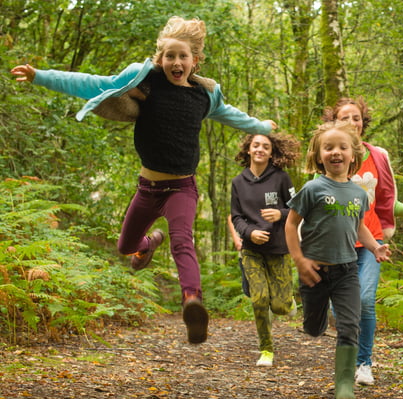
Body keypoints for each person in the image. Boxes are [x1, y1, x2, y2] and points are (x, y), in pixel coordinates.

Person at [10, 16, 277, 344]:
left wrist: (262, 127)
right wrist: (41, 77)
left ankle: (192, 301)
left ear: (195, 60)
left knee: (183, 240)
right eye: (169, 56)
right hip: (148, 187)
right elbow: (92, 83)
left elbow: (235, 116)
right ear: (159, 59)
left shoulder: (205, 96)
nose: (176, 62)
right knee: (126, 246)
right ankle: (150, 243)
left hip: (182, 186)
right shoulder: (145, 81)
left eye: (183, 56)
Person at [285, 121, 391, 399]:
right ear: (318, 155)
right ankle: (314, 322)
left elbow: (358, 227)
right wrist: (299, 260)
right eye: (328, 147)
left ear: (352, 155)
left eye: (342, 147)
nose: (336, 152)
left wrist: (375, 247)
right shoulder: (312, 188)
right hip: (315, 272)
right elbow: (291, 222)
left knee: (350, 324)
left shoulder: (358, 194)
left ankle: (344, 385)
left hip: (347, 270)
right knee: (313, 327)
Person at [322, 97, 403, 385]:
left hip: (371, 240)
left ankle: (364, 363)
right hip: (337, 242)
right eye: (345, 118)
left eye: (356, 118)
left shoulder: (377, 156)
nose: (352, 123)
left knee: (365, 300)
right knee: (340, 308)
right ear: (335, 123)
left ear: (363, 122)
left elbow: (386, 200)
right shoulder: (330, 153)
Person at [230, 132, 300, 367]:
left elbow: (297, 208)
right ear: (248, 149)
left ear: (272, 153)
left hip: (279, 248)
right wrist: (249, 233)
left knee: (279, 306)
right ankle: (266, 350)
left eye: (266, 146)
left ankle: (288, 301)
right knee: (259, 299)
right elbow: (236, 216)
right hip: (251, 250)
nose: (260, 149)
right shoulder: (238, 182)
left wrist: (280, 213)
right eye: (256, 145)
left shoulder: (281, 178)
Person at [227, 214, 250, 298]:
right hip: (245, 251)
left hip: (271, 249)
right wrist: (236, 238)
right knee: (248, 290)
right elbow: (231, 216)